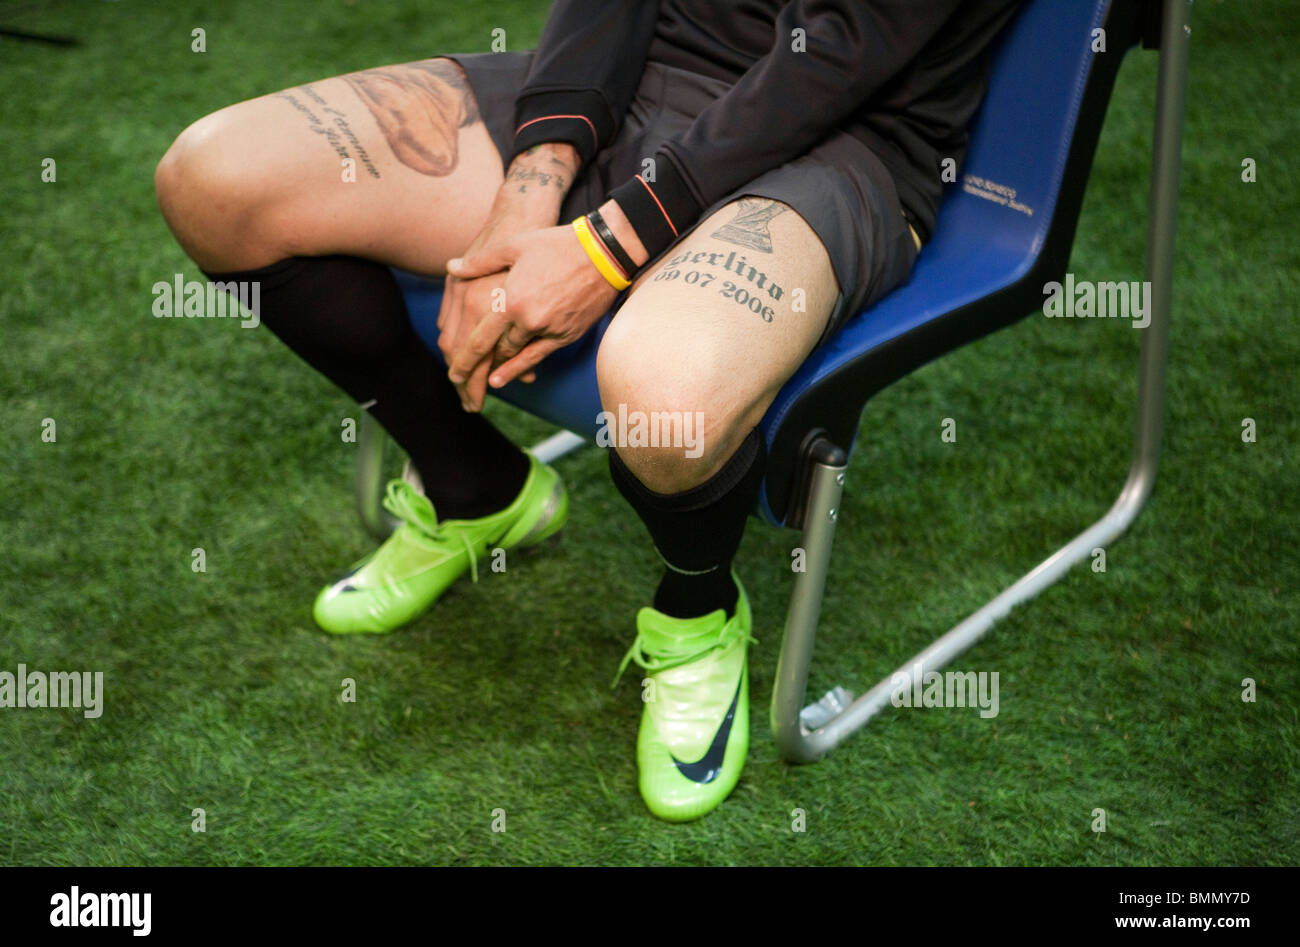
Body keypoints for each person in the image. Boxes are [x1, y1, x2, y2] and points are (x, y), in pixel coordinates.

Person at [155, 0, 1024, 821]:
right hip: (646, 82)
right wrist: (539, 173)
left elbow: (844, 49)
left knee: (664, 397)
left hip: (847, 138)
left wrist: (606, 248)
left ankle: (699, 612)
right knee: (217, 180)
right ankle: (474, 486)